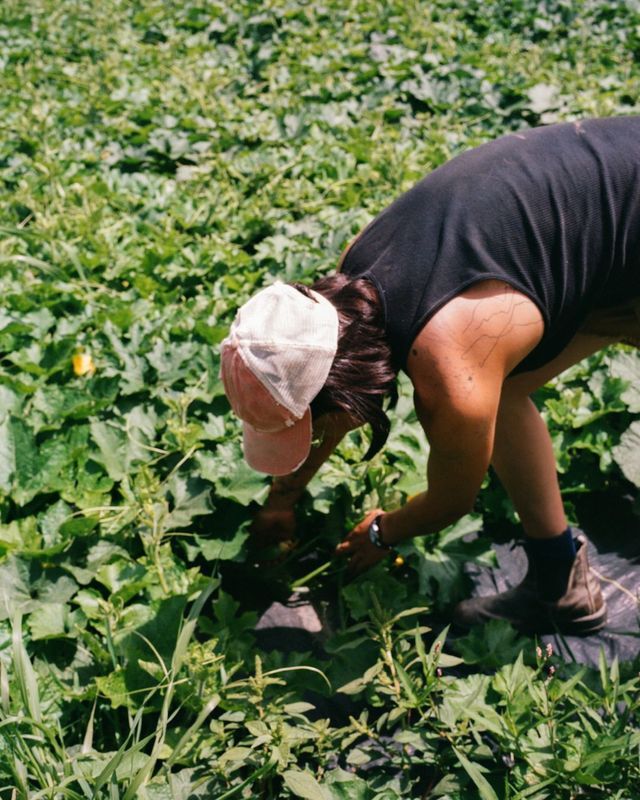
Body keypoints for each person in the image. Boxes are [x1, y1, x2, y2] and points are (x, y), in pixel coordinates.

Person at [220, 116, 640, 635]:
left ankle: (561, 587)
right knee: (507, 388)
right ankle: (562, 581)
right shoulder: (354, 277)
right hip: (614, 210)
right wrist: (282, 499)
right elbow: (328, 401)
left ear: (348, 397)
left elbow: (451, 501)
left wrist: (382, 532)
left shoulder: (454, 372)